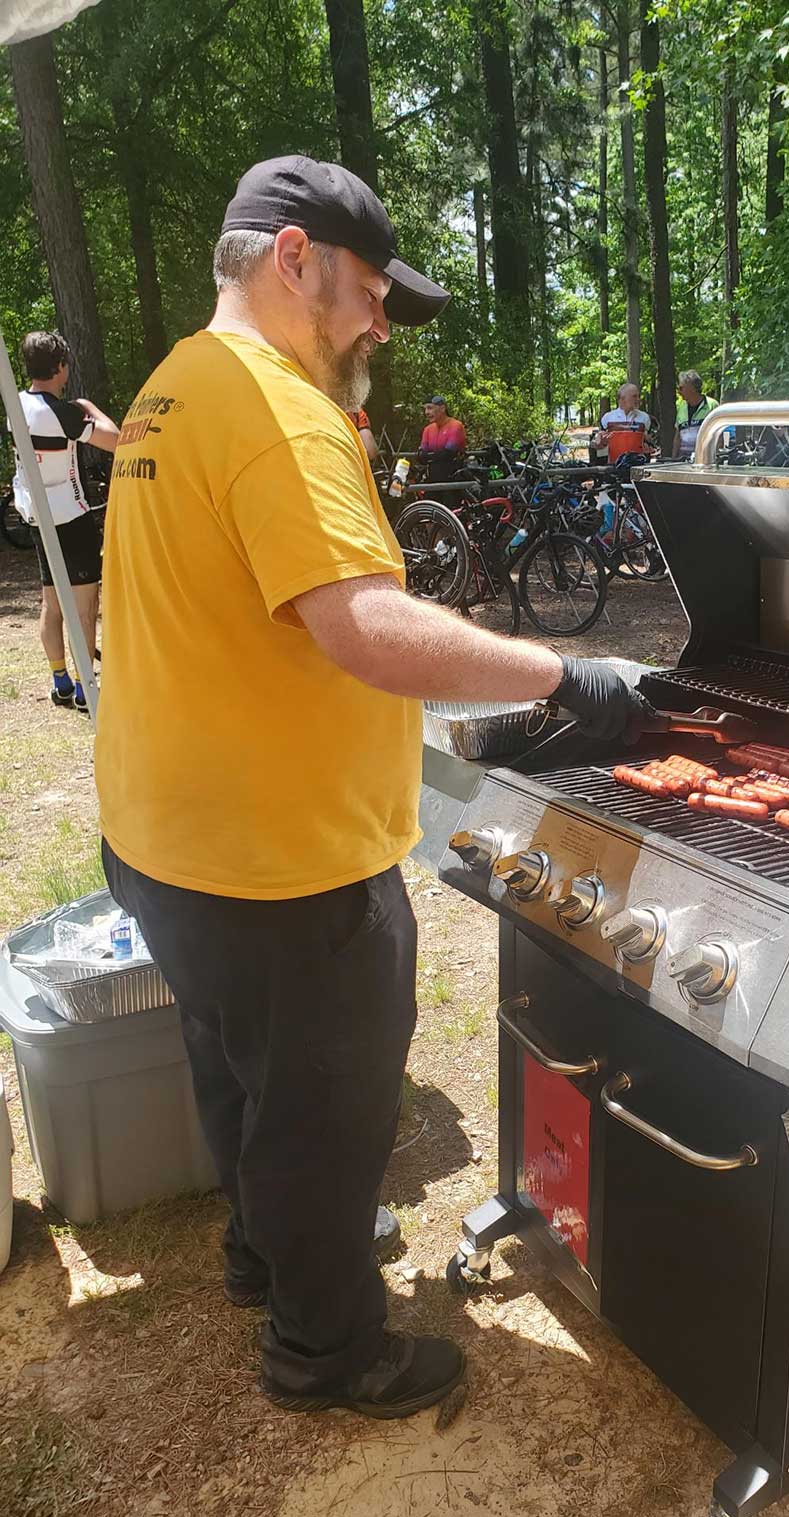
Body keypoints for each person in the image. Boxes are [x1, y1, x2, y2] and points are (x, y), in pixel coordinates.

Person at [94, 155, 647, 1422]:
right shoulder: (278, 406)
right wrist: (565, 672)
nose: (380, 325)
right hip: (276, 859)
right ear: (296, 258)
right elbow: (365, 628)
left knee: (239, 1067)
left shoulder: (175, 386)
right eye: (369, 292)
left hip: (163, 833)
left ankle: (264, 1257)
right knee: (326, 1112)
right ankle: (326, 1347)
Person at [10, 330, 118, 709]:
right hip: (72, 517)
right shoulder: (65, 413)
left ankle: (61, 681)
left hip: (38, 516)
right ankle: (87, 688)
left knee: (51, 604)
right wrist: (90, 407)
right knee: (84, 606)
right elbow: (116, 441)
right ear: (59, 367)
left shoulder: (17, 403)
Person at [597, 383, 652, 468]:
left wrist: (649, 445)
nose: (638, 399)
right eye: (634, 396)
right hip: (614, 466)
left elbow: (649, 442)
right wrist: (601, 443)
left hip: (637, 467)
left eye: (638, 396)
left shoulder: (644, 417)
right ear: (622, 399)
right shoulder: (608, 418)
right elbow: (598, 445)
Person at [417, 395, 466, 475]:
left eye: (430, 408)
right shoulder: (427, 429)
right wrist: (423, 455)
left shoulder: (456, 426)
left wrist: (428, 457)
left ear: (442, 408)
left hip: (453, 475)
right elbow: (422, 455)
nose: (426, 412)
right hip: (432, 474)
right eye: (425, 409)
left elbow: (449, 453)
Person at [673, 369, 717, 458]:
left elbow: (718, 436)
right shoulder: (681, 408)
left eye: (681, 388)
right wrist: (673, 459)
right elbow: (677, 437)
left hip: (704, 460)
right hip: (683, 460)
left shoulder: (712, 405)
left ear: (691, 387)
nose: (679, 391)